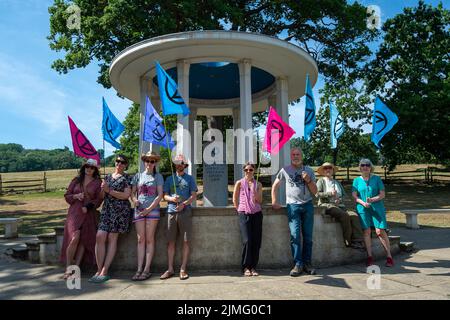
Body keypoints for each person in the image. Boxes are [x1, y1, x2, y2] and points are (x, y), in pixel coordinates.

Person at [271, 148, 318, 276]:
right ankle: (298, 264)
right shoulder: (285, 170)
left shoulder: (308, 170)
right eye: (293, 154)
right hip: (292, 206)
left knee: (308, 237)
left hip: (307, 205)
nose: (295, 156)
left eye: (298, 154)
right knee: (295, 236)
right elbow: (275, 185)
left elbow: (315, 192)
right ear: (290, 156)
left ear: (302, 156)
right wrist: (274, 200)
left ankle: (307, 263)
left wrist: (308, 180)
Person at [89, 155, 132, 283]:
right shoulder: (107, 177)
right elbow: (103, 195)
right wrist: (103, 189)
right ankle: (98, 268)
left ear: (125, 165)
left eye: (122, 162)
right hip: (107, 210)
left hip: (120, 211)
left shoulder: (127, 178)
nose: (119, 163)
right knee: (100, 236)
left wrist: (110, 190)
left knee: (112, 238)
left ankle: (105, 270)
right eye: (117, 161)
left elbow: (126, 195)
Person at [61, 158, 103, 279]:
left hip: (88, 213)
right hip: (75, 212)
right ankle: (68, 268)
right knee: (74, 238)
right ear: (83, 168)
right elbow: (67, 195)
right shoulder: (76, 180)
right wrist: (75, 195)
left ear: (95, 170)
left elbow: (98, 200)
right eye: (87, 167)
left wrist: (89, 206)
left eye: (91, 168)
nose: (88, 169)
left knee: (84, 240)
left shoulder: (97, 182)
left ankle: (76, 268)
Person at [160, 154, 198, 281]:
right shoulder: (169, 179)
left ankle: (183, 269)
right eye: (177, 162)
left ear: (185, 165)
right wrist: (171, 199)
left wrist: (184, 204)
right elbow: (164, 195)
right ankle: (170, 269)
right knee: (171, 241)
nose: (179, 164)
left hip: (185, 212)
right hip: (171, 212)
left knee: (185, 241)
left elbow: (193, 196)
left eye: (181, 162)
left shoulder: (190, 179)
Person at [352, 158, 394, 267]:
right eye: (362, 165)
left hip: (377, 207)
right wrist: (363, 203)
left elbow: (382, 194)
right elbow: (355, 196)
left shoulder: (377, 178)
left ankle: (389, 256)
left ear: (371, 167)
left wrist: (373, 199)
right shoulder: (356, 180)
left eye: (367, 165)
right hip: (363, 208)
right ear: (360, 167)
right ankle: (369, 257)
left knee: (380, 231)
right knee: (366, 232)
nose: (365, 167)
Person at [130, 151, 164, 281]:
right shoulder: (138, 176)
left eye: (152, 161)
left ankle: (146, 269)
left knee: (150, 239)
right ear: (144, 162)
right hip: (139, 210)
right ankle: (139, 269)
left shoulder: (158, 177)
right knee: (140, 239)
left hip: (152, 210)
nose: (150, 163)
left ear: (155, 163)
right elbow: (133, 193)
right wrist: (135, 200)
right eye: (148, 161)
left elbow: (160, 195)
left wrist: (149, 209)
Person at [316, 162, 364, 249]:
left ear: (333, 170)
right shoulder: (321, 181)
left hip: (340, 206)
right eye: (326, 168)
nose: (328, 170)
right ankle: (348, 241)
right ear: (323, 171)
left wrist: (339, 200)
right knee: (344, 215)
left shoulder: (337, 182)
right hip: (327, 205)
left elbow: (344, 195)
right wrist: (329, 193)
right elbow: (317, 194)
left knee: (354, 215)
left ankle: (358, 241)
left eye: (330, 168)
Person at [232, 162, 263, 277]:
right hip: (244, 213)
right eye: (246, 170)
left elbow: (260, 201)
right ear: (244, 171)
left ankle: (253, 267)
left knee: (256, 241)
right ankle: (246, 266)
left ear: (254, 171)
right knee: (247, 240)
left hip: (257, 213)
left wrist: (254, 192)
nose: (248, 172)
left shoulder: (258, 184)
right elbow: (235, 198)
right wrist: (239, 210)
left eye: (250, 170)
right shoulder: (239, 183)